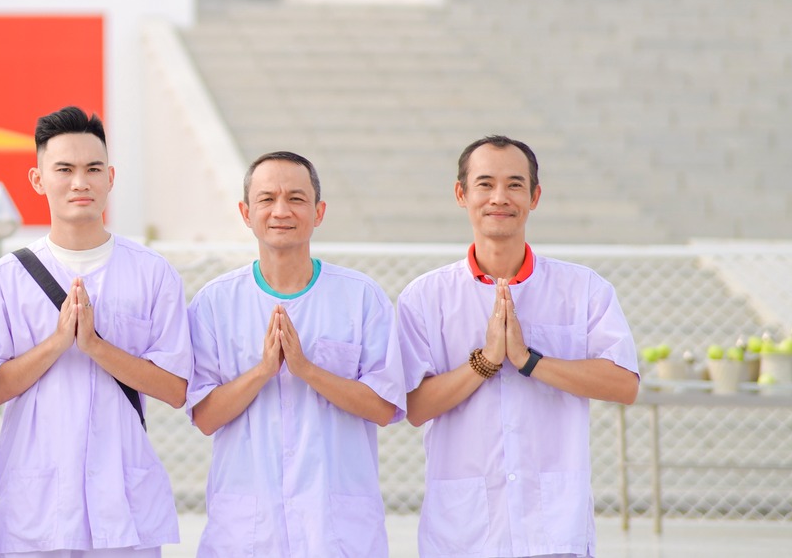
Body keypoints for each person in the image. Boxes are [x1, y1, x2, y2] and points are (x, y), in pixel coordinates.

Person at [395, 135, 640, 558]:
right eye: (485, 184)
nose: (499, 198)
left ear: (535, 196)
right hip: (463, 532)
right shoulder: (425, 297)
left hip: (554, 527)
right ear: (461, 194)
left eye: (514, 184)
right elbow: (413, 407)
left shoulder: (582, 289)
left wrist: (529, 361)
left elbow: (624, 384)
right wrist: (485, 362)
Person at [0, 107, 191, 558]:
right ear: (37, 180)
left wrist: (94, 346)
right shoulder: (5, 279)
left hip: (123, 509)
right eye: (64, 170)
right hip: (36, 510)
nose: (80, 182)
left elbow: (175, 388)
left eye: (93, 169)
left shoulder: (151, 273)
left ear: (110, 177)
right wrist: (56, 344)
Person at [186, 151, 402, 558]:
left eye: (296, 199)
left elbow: (384, 408)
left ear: (319, 212)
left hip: (336, 532)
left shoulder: (360, 297)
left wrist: (306, 369)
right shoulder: (214, 302)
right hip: (246, 534)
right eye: (266, 199)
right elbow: (205, 416)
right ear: (245, 212)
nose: (281, 210)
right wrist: (265, 370)